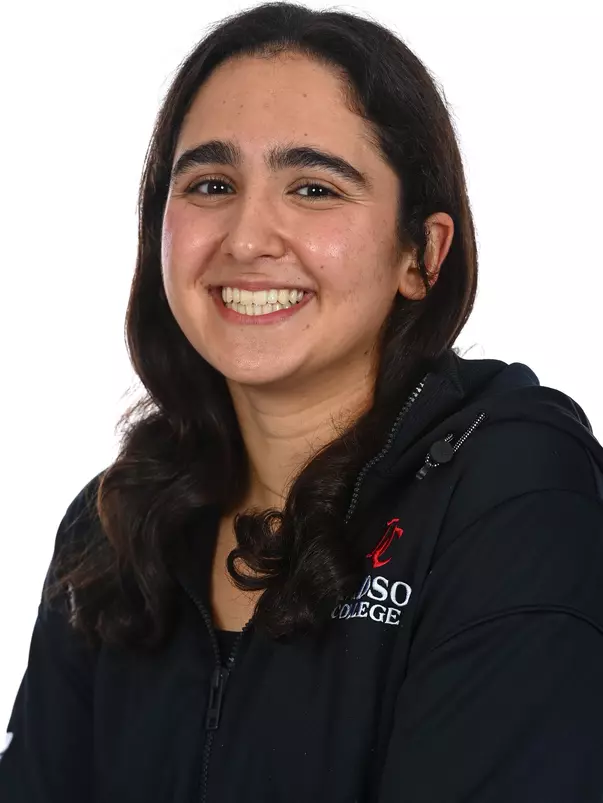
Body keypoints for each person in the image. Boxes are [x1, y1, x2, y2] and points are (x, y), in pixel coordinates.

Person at [2, 2, 603, 800]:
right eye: (212, 184)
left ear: (421, 255)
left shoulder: (510, 489)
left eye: (314, 188)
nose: (247, 238)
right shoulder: (112, 527)